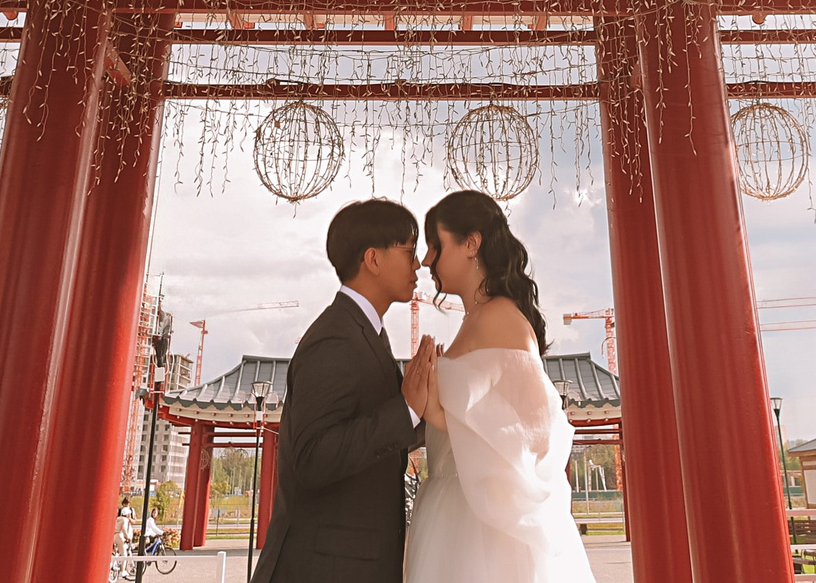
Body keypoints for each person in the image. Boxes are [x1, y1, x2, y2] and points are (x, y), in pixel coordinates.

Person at [404, 189, 596, 583]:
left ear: (471, 243)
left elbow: (536, 427)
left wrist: (437, 412)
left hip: (483, 528)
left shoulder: (500, 318)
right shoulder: (475, 321)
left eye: (436, 245)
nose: (426, 260)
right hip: (454, 509)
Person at [252, 198, 434, 583]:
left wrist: (429, 415)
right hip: (322, 567)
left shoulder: (369, 334)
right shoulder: (335, 338)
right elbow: (312, 457)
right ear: (373, 259)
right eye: (408, 251)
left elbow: (371, 437)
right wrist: (405, 412)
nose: (417, 264)